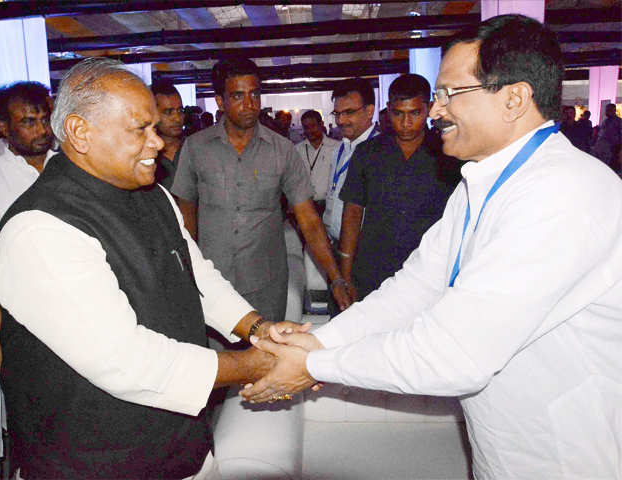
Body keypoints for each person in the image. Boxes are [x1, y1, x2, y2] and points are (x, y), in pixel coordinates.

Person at [243, 15, 622, 479]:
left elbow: (454, 353)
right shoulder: (480, 183)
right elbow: (416, 289)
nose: (436, 110)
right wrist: (317, 339)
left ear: (514, 99)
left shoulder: (564, 192)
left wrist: (314, 364)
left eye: (449, 94)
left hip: (567, 460)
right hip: (502, 451)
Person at [0, 58, 305, 479]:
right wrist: (255, 364)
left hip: (179, 447)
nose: (157, 142)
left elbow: (196, 273)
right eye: (141, 129)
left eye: (156, 127)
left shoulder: (151, 193)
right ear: (81, 133)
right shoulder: (40, 229)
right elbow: (128, 362)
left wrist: (257, 329)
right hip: (92, 462)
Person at [171, 58, 351, 326]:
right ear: (220, 101)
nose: (250, 104)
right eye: (238, 96)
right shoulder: (196, 148)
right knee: (220, 363)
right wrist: (187, 277)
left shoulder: (282, 150)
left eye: (255, 94)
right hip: (213, 283)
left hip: (266, 284)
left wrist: (335, 278)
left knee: (266, 359)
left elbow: (309, 221)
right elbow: (185, 222)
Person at [338, 74, 459, 302]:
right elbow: (352, 215)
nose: (406, 123)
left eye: (415, 113)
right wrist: (345, 275)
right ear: (387, 109)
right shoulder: (367, 154)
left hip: (429, 273)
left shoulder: (448, 153)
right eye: (398, 114)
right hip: (373, 271)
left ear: (430, 108)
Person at [0, 81, 56, 376]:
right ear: (3, 127)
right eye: (28, 122)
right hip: (21, 315)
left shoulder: (71, 165)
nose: (41, 130)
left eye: (44, 120)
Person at [323, 77, 377, 316]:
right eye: (337, 113)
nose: (341, 120)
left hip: (364, 253)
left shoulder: (381, 152)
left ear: (369, 111)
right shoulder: (340, 149)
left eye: (349, 112)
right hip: (336, 247)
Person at [294, 110, 340, 213]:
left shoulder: (336, 148)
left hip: (330, 207)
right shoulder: (297, 150)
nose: (310, 130)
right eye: (306, 127)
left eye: (313, 126)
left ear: (321, 124)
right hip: (305, 207)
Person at [150, 80, 185, 189]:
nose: (177, 118)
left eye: (180, 111)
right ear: (152, 113)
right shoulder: (145, 155)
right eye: (168, 112)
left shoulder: (195, 149)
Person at [592, 103, 622, 172]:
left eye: (609, 110)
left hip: (613, 150)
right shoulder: (605, 121)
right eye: (606, 110)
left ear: (614, 110)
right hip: (602, 149)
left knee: (610, 170)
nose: (607, 112)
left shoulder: (619, 121)